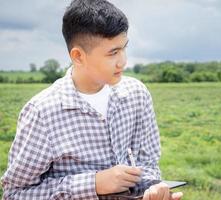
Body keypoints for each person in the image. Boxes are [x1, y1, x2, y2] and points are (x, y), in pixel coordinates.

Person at [0, 0, 183, 199]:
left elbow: (148, 165)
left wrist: (151, 189)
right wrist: (93, 183)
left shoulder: (137, 94)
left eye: (124, 48)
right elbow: (15, 193)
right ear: (78, 56)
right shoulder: (42, 112)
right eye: (113, 52)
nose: (123, 60)